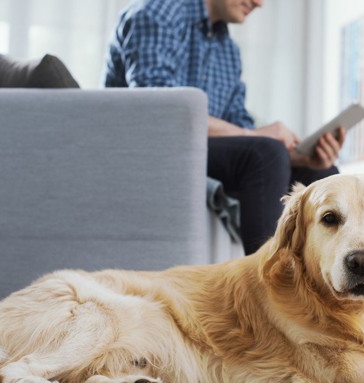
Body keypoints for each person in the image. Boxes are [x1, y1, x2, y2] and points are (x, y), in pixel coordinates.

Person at [104, 0, 346, 255]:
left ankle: (325, 286)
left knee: (322, 175)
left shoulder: (227, 48)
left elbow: (238, 126)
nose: (259, 4)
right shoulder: (157, 14)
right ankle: (265, 287)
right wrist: (257, 136)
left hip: (199, 151)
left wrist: (300, 158)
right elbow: (164, 113)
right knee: (264, 154)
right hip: (150, 149)